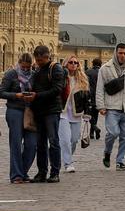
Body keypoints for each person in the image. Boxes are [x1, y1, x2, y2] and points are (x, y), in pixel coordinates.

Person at [95, 42, 125, 171]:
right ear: (115, 53)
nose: (122, 56)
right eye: (120, 53)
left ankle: (120, 160)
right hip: (112, 107)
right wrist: (101, 106)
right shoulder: (105, 69)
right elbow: (99, 89)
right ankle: (107, 152)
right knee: (113, 132)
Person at [29, 45, 66, 183]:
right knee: (40, 143)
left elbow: (57, 89)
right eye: (37, 60)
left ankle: (55, 172)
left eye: (41, 60)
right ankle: (42, 172)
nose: (38, 62)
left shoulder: (55, 68)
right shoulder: (38, 70)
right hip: (39, 111)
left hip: (52, 110)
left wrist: (36, 95)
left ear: (47, 57)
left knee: (53, 141)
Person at [2, 52, 38, 183]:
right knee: (16, 143)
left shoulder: (34, 75)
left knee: (32, 144)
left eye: (28, 67)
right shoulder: (11, 74)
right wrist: (16, 95)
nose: (25, 70)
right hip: (15, 110)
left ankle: (23, 171)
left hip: (30, 111)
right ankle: (16, 175)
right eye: (23, 67)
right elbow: (2, 92)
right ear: (19, 63)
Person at [58, 57, 91, 174]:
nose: (73, 64)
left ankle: (66, 158)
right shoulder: (61, 77)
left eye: (75, 63)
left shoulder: (82, 80)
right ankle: (68, 163)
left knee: (74, 140)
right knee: (65, 140)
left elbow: (87, 99)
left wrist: (87, 114)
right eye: (70, 62)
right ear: (66, 64)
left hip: (76, 114)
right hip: (63, 113)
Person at [86, 58, 102, 140]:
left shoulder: (88, 72)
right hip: (99, 97)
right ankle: (92, 133)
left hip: (89, 96)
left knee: (88, 115)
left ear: (92, 64)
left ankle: (94, 129)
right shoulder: (102, 72)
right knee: (95, 115)